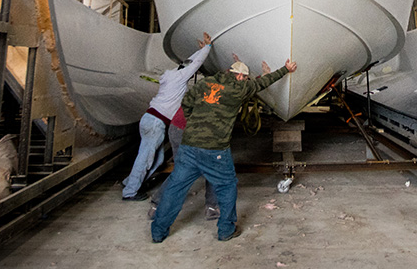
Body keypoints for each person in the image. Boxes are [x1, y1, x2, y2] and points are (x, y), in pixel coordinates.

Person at [150, 56, 296, 242]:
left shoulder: (205, 84)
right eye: (244, 78)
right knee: (227, 186)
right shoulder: (238, 89)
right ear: (241, 77)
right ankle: (226, 230)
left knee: (176, 188)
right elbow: (263, 83)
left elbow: (186, 104)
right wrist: (285, 69)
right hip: (215, 149)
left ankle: (158, 232)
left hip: (189, 145)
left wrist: (198, 124)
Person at [121, 32, 212, 200]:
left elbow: (189, 64)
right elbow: (195, 65)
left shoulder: (170, 76)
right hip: (156, 123)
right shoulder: (179, 78)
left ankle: (130, 182)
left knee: (157, 158)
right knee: (147, 157)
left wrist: (198, 51)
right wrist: (207, 47)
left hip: (150, 119)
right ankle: (130, 192)